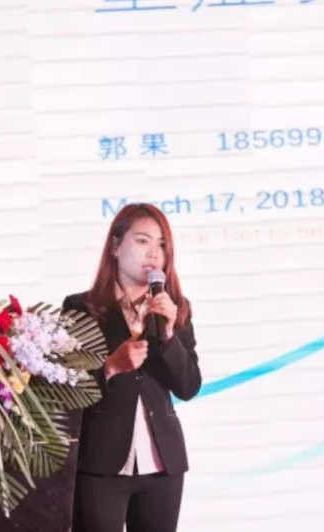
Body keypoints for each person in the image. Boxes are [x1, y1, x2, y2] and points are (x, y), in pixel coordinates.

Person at [62, 203, 202, 532]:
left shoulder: (175, 308)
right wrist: (110, 368)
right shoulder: (81, 308)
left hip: (162, 466)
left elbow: (188, 387)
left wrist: (168, 335)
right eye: (142, 241)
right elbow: (65, 388)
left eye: (162, 245)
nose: (153, 253)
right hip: (100, 463)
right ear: (115, 246)